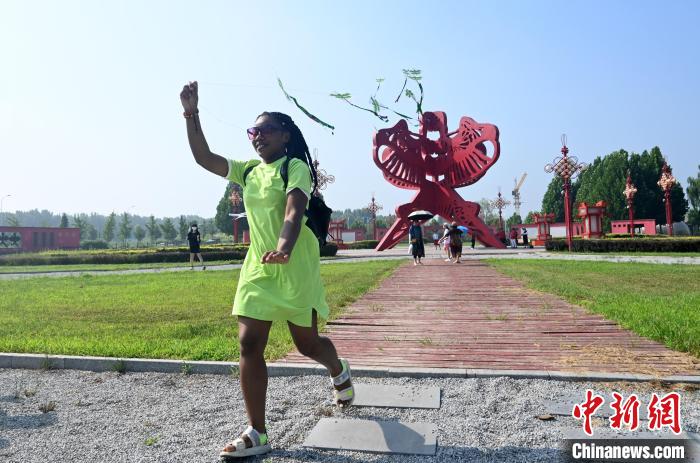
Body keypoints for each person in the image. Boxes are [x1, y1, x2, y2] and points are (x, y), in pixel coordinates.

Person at [180, 81, 353, 459]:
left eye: (266, 130)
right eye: (253, 132)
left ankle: (338, 369)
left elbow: (294, 211)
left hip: (294, 265)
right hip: (259, 267)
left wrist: (284, 248)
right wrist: (191, 114)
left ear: (285, 135)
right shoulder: (247, 171)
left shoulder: (294, 167)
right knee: (248, 343)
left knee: (307, 344)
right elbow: (204, 157)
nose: (257, 137)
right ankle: (257, 432)